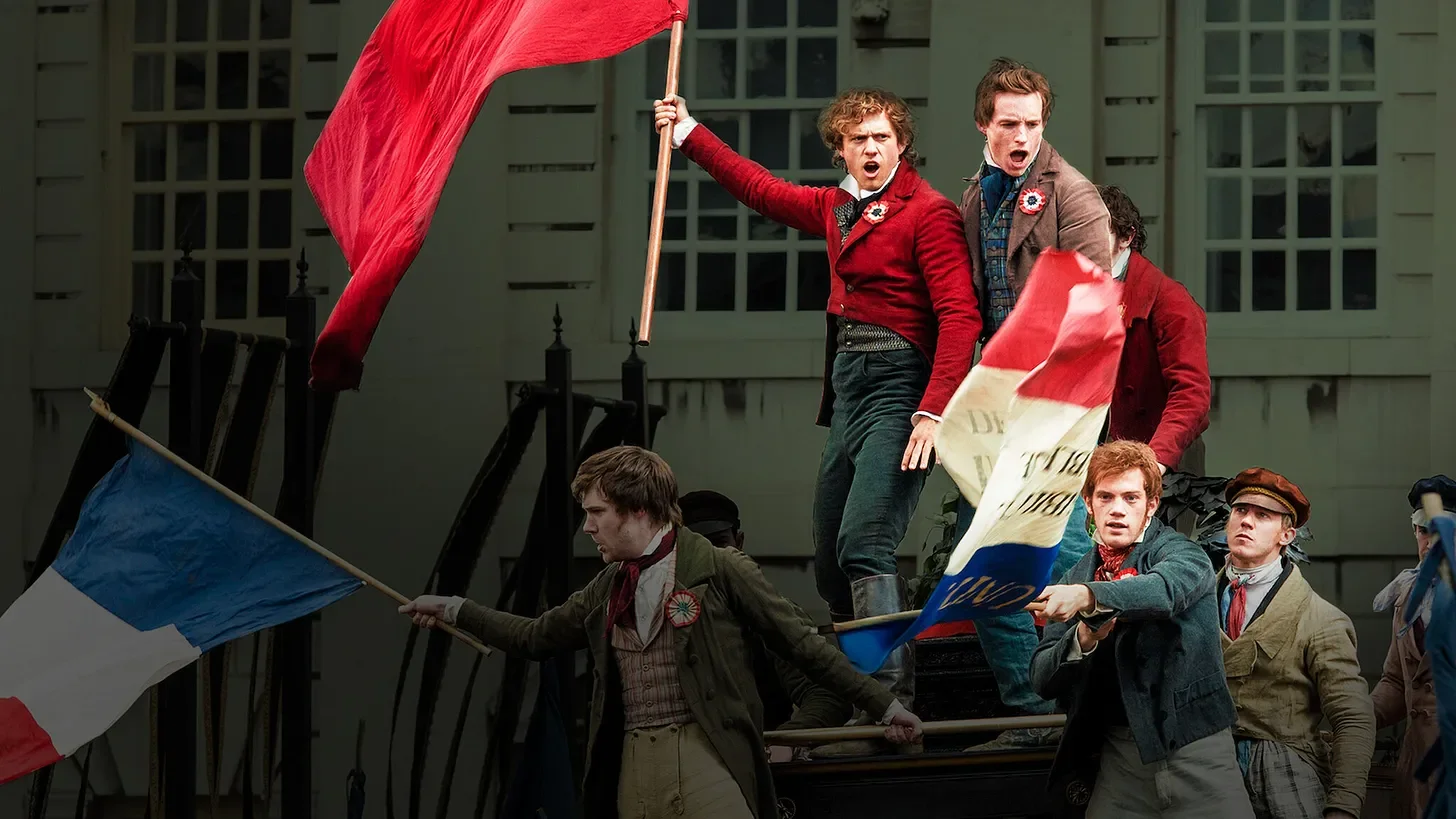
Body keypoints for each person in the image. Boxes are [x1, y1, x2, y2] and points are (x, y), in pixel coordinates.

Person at [653, 87, 981, 753]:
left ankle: (887, 701)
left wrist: (932, 410)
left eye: (882, 138)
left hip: (902, 387)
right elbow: (762, 190)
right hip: (850, 389)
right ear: (841, 149)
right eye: (858, 139)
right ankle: (858, 687)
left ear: (901, 145)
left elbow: (960, 316)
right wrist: (688, 133)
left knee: (865, 541)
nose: (871, 149)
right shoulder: (837, 207)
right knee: (831, 564)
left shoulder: (929, 212)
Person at [400, 447, 922, 819]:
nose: (588, 527)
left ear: (638, 510)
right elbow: (535, 637)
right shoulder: (608, 586)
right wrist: (454, 609)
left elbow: (804, 647)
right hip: (634, 764)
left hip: (709, 756)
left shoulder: (720, 567)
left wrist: (886, 706)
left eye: (596, 513)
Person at [956, 57, 1113, 751]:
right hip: (995, 406)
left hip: (1053, 404)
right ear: (983, 125)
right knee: (987, 562)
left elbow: (1093, 311)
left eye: (1033, 124)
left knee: (1065, 555)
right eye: (1009, 124)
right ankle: (1030, 714)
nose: (1022, 136)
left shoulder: (1073, 196)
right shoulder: (975, 195)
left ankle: (1078, 710)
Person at [1028, 440, 1253, 818]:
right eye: (1106, 497)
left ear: (1151, 505)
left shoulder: (1183, 554)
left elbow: (1163, 590)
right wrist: (1083, 638)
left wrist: (1088, 597)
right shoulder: (1075, 575)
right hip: (1120, 760)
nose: (1117, 509)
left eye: (1131, 498)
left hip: (1195, 748)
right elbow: (1041, 677)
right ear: (1088, 503)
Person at [1216, 468, 1374, 819]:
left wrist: (1344, 806)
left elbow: (1352, 717)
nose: (1246, 521)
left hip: (1283, 771)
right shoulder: (1194, 602)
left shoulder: (1321, 620)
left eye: (1263, 516)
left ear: (1286, 535)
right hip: (1205, 767)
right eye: (1240, 510)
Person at [678, 489, 853, 757]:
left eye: (718, 544)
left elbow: (829, 694)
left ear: (739, 542)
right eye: (696, 548)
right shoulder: (661, 616)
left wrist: (781, 743)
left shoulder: (767, 612)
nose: (711, 559)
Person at [1098, 184, 1211, 473]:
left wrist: (1155, 462)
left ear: (1126, 237)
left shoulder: (1171, 301)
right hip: (1094, 458)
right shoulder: (1070, 290)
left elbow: (1191, 394)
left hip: (1162, 458)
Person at [1371, 475, 1456, 819]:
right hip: (1417, 770)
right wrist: (1356, 716)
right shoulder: (1407, 595)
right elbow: (1396, 681)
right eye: (1422, 530)